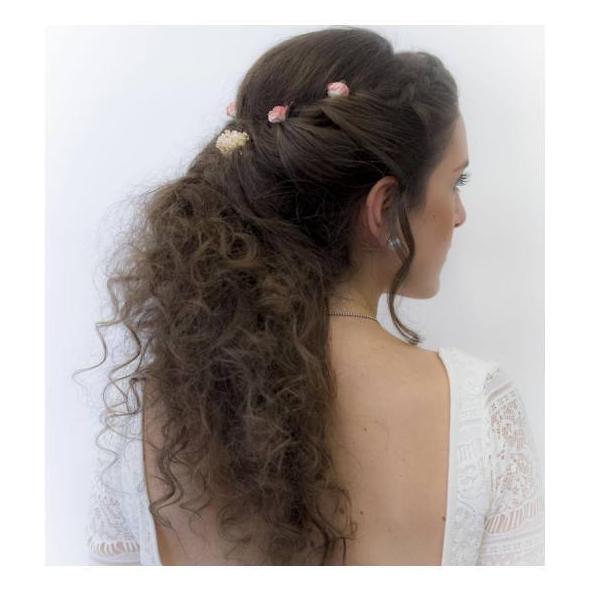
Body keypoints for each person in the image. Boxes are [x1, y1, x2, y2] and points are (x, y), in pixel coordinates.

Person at [81, 26, 544, 565]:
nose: (459, 215)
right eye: (455, 182)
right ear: (384, 207)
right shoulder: (476, 409)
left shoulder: (152, 415)